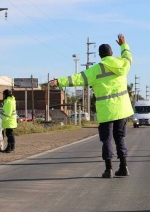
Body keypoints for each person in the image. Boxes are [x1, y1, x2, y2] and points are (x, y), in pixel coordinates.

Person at [50, 34, 133, 178]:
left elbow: (76, 79)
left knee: (106, 139)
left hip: (106, 110)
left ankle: (108, 170)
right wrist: (124, 45)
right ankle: (124, 166)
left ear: (100, 56)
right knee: (120, 137)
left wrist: (59, 82)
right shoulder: (122, 65)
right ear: (112, 53)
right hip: (121, 109)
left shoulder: (96, 70)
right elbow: (128, 57)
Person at [2, 89, 17, 153]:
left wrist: (4, 120)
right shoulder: (10, 100)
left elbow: (7, 113)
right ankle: (9, 147)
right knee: (9, 135)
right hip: (10, 121)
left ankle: (11, 148)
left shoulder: (8, 101)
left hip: (9, 121)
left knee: (10, 135)